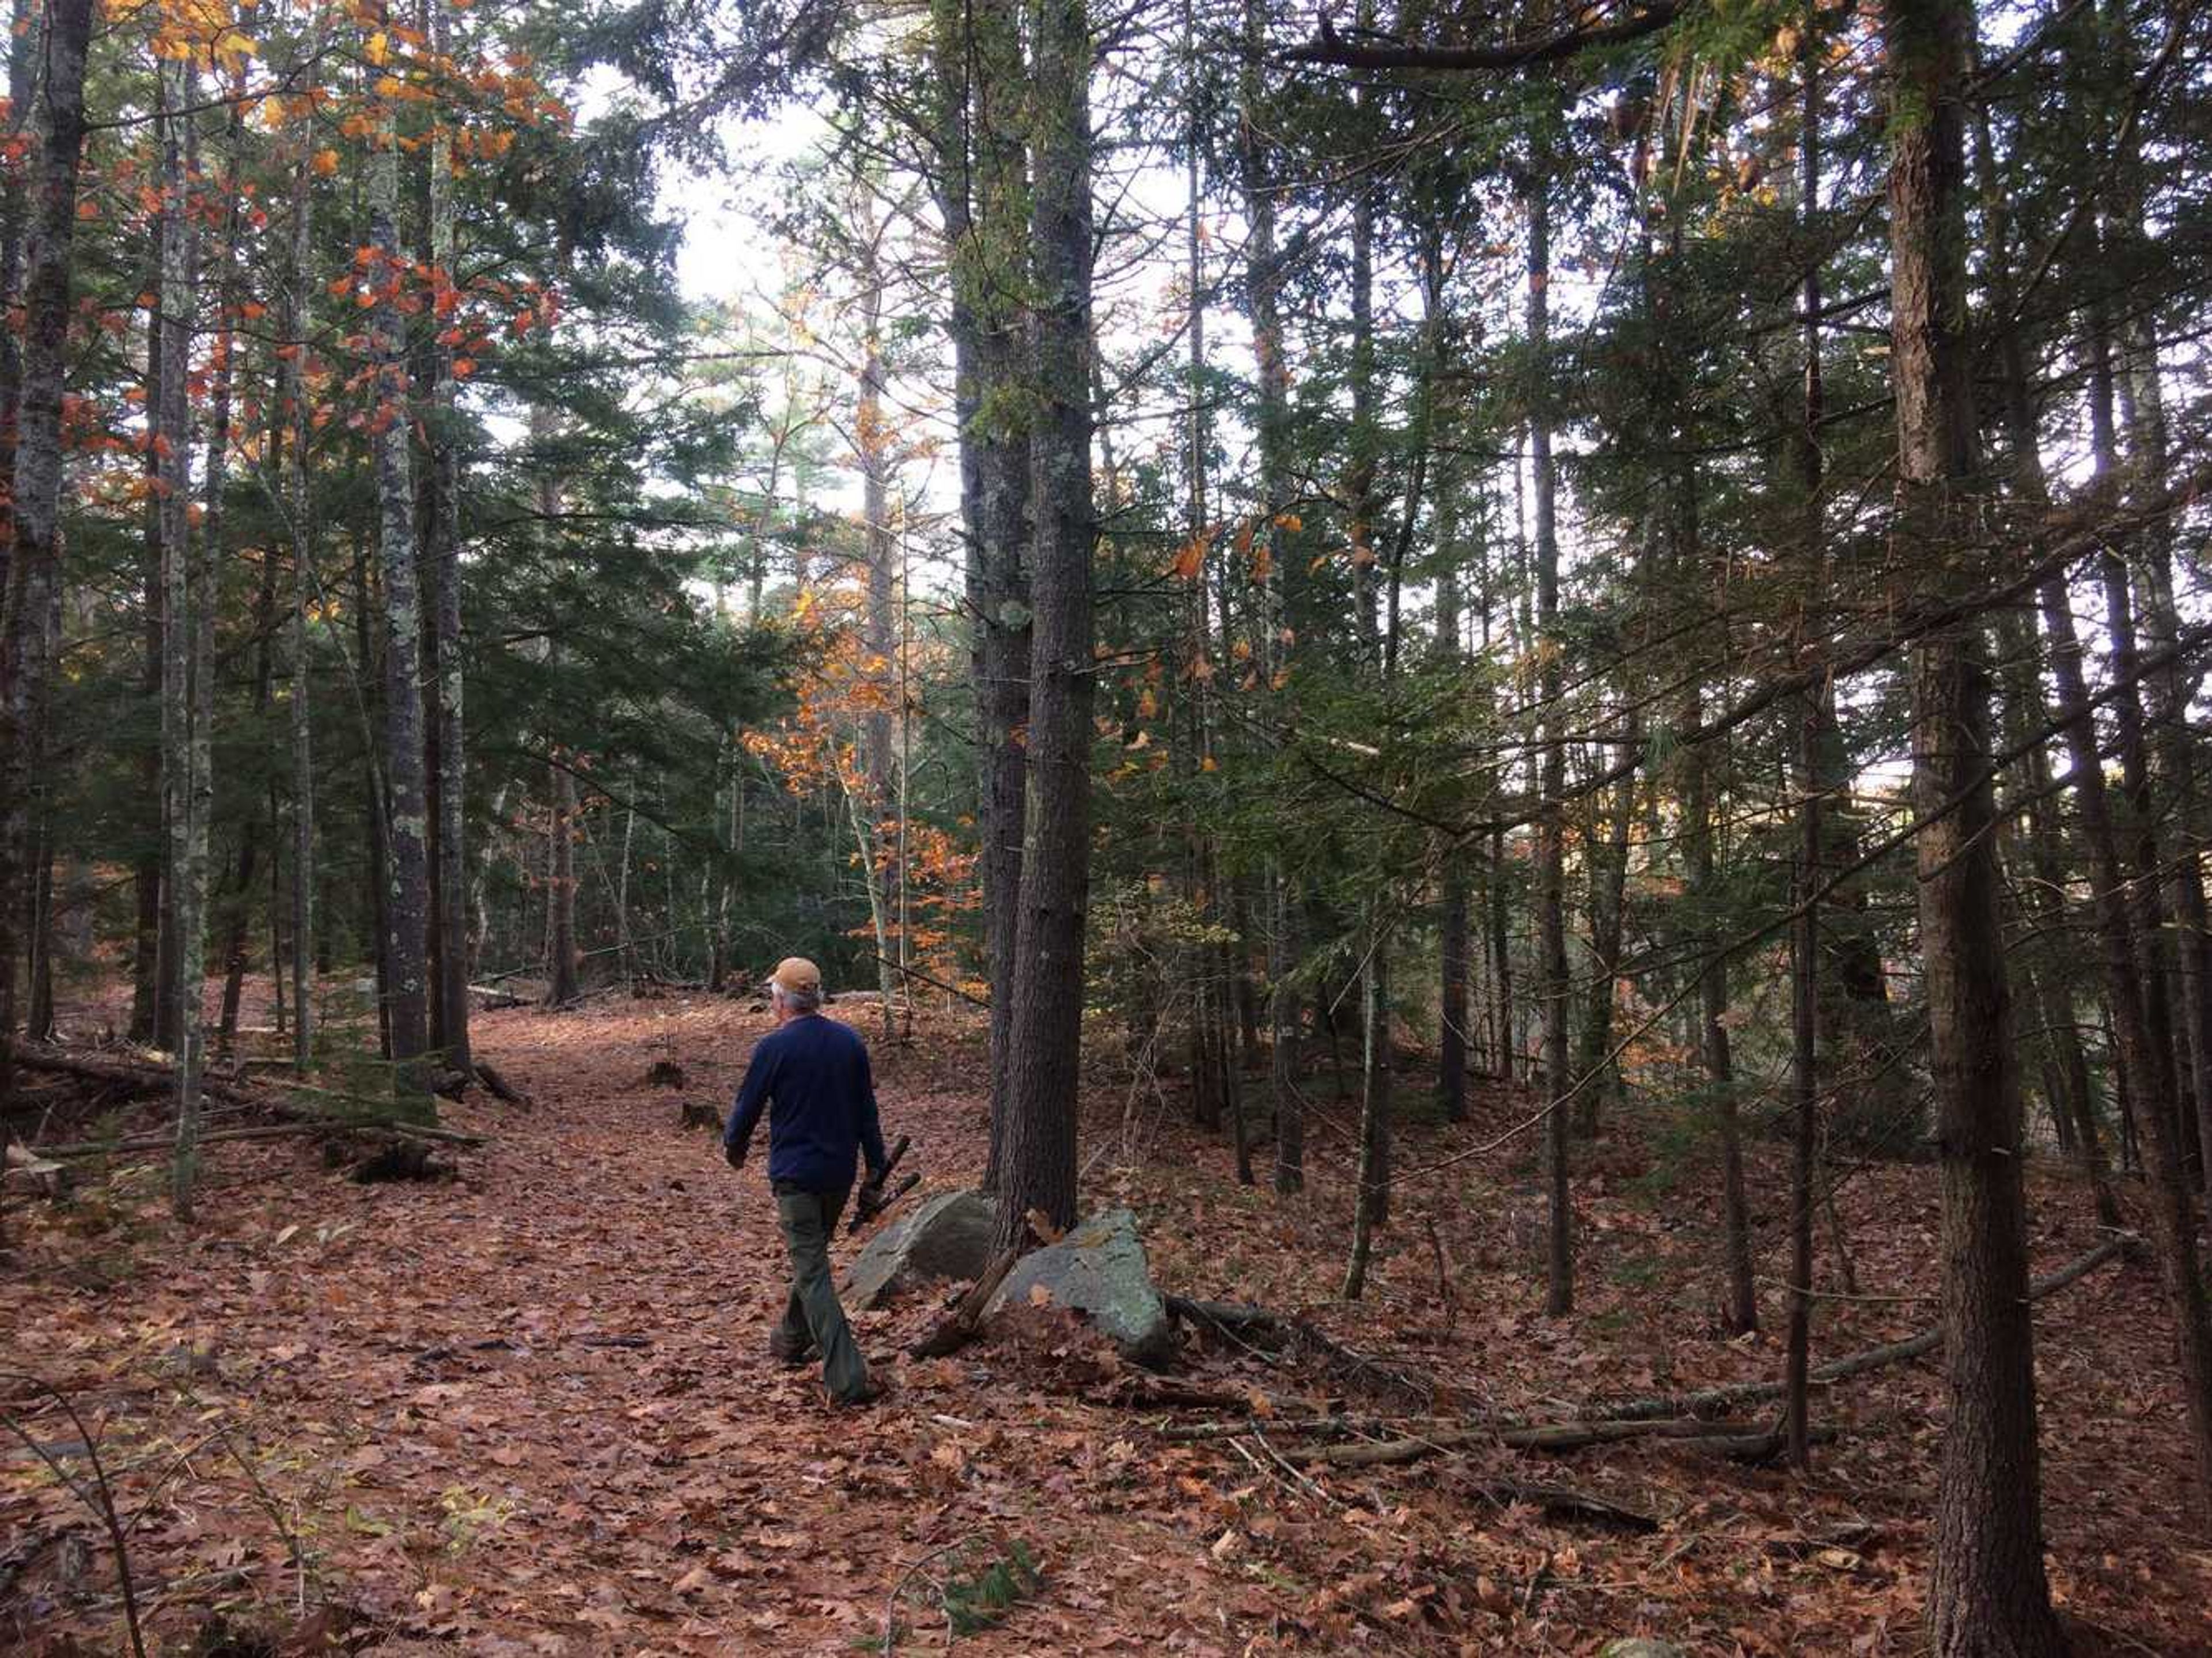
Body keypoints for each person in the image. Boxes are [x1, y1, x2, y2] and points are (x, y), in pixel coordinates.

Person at [724, 956, 889, 1406]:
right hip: (838, 1174)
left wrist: (734, 1148)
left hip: (797, 1178)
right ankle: (791, 1339)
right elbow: (866, 1114)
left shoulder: (774, 1048)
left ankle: (847, 1376)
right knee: (810, 1262)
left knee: (813, 1272)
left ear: (782, 1000)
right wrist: (876, 1164)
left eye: (772, 995)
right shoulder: (848, 1042)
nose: (772, 1003)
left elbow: (746, 1107)